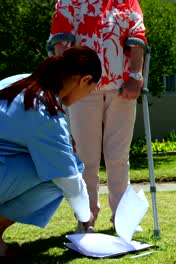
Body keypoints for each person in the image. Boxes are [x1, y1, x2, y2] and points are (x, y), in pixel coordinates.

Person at [48, 0, 147, 230]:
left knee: (119, 157)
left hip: (122, 88)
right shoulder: (68, 2)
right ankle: (86, 218)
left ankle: (122, 220)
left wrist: (136, 77)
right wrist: (67, 81)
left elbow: (138, 37)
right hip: (82, 88)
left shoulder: (127, 1)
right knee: (85, 158)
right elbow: (60, 41)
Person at [0, 46, 101, 256]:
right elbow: (68, 177)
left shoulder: (21, 81)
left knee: (59, 164)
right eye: (90, 90)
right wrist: (85, 216)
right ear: (84, 80)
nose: (84, 96)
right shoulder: (43, 111)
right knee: (60, 173)